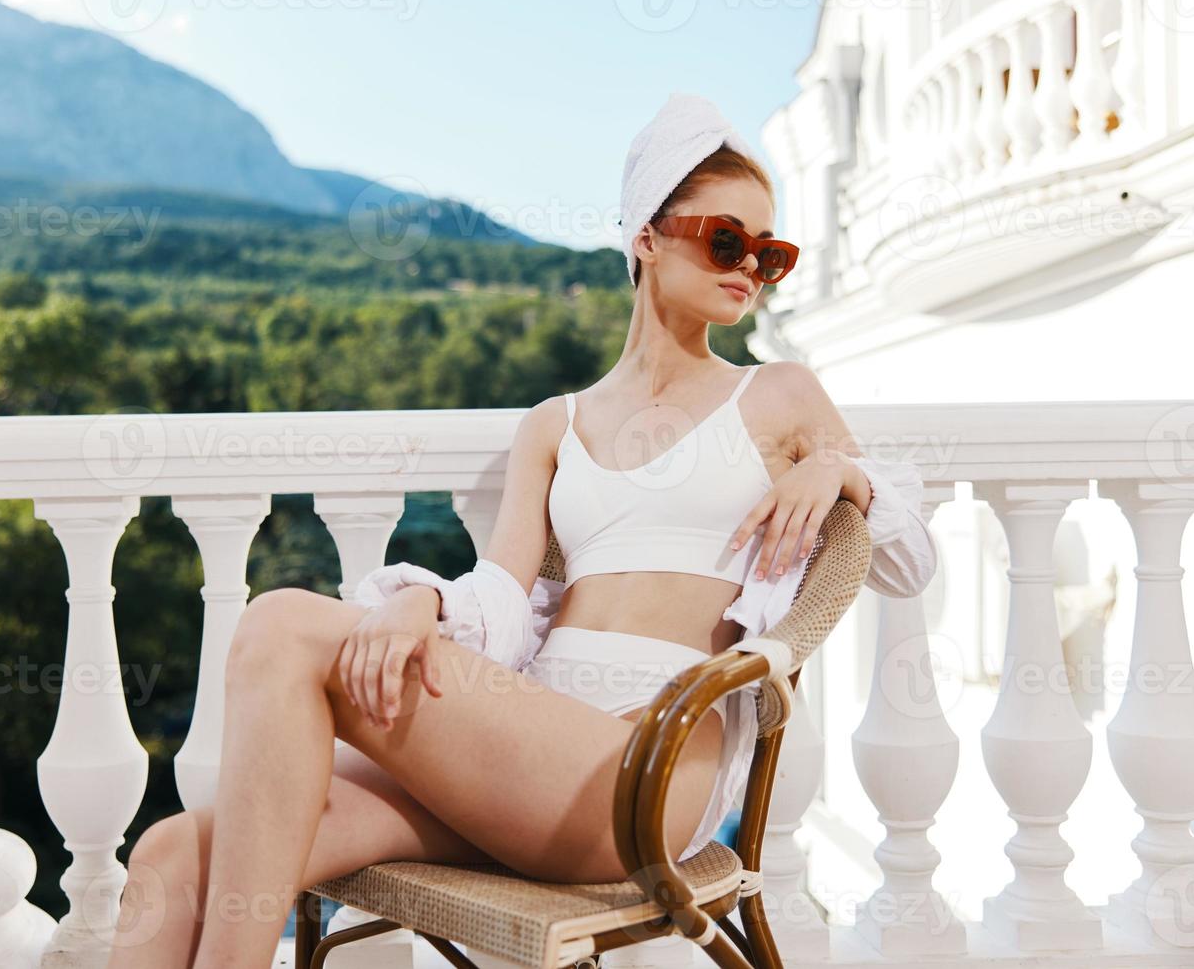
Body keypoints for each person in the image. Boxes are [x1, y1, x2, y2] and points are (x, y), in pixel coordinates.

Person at [104, 93, 938, 969]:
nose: (750, 271)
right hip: (521, 755)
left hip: (640, 772)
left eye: (770, 254)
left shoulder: (778, 394)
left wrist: (843, 471)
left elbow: (910, 562)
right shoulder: (554, 423)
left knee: (280, 621)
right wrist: (421, 602)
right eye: (727, 241)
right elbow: (501, 596)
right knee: (170, 859)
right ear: (647, 237)